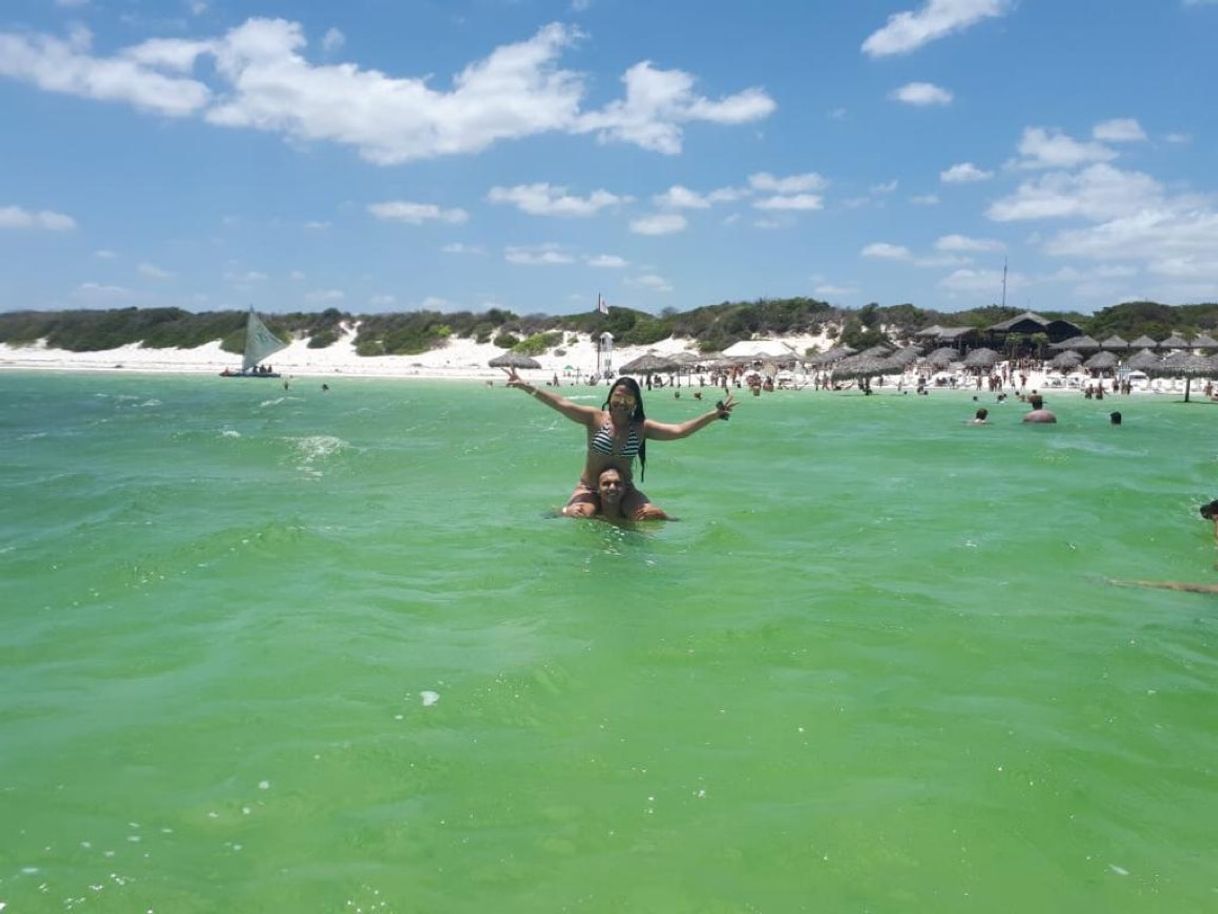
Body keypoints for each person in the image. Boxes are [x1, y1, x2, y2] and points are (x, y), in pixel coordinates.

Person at [503, 369, 736, 519]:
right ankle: (558, 512)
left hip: (625, 490)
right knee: (580, 514)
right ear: (610, 398)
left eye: (627, 399)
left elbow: (679, 431)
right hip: (590, 488)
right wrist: (526, 386)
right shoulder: (594, 418)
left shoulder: (641, 427)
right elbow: (560, 403)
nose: (621, 403)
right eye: (617, 397)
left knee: (649, 516)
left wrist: (713, 416)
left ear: (635, 403)